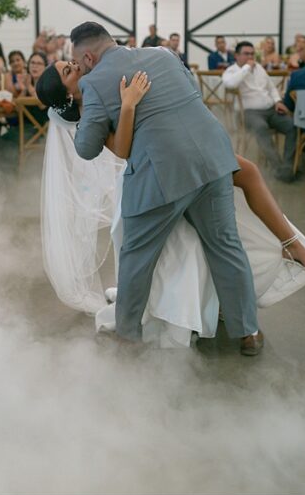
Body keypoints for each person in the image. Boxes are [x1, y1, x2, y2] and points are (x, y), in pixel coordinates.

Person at [36, 57, 305, 348]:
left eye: (71, 62)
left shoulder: (101, 80)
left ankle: (290, 246)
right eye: (67, 70)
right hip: (151, 171)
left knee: (245, 177)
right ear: (66, 93)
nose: (75, 66)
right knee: (204, 235)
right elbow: (122, 150)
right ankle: (237, 316)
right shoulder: (91, 111)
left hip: (180, 149)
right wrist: (128, 105)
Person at [62, 22, 262, 354]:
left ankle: (127, 335)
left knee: (136, 256)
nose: (80, 68)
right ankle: (248, 333)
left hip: (161, 173)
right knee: (226, 246)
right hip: (213, 159)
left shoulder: (94, 82)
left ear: (88, 56)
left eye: (78, 62)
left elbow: (86, 148)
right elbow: (188, 94)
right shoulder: (165, 55)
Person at [223, 41, 297, 181]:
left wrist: (277, 101)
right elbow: (230, 83)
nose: (250, 57)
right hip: (248, 113)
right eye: (246, 54)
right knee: (261, 127)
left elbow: (271, 87)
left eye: (252, 54)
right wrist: (245, 68)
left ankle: (287, 166)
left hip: (270, 110)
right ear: (237, 55)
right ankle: (278, 167)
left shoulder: (260, 69)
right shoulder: (232, 71)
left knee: (292, 125)